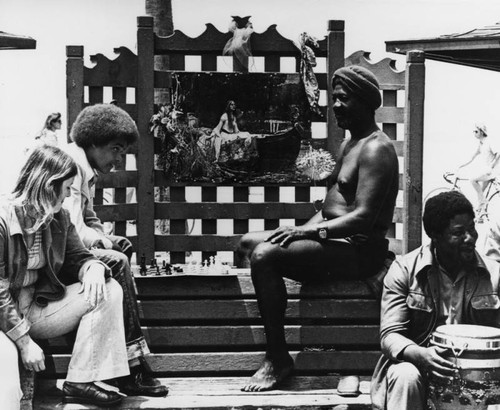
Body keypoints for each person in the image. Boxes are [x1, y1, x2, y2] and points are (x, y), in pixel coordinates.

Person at [236, 65, 399, 392]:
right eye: (334, 99)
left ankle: (278, 358)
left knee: (265, 256)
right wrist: (298, 230)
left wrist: (303, 235)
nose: (336, 106)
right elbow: (330, 207)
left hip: (358, 252)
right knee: (246, 243)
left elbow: (362, 218)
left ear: (366, 102)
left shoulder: (376, 148)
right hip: (334, 243)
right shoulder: (350, 144)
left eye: (344, 99)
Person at [0, 145, 130, 406]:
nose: (71, 193)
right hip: (4, 318)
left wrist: (92, 267)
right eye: (68, 186)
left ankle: (82, 379)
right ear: (49, 184)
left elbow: (78, 257)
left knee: (110, 289)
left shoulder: (59, 217)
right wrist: (24, 343)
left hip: (35, 309)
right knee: (9, 390)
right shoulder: (3, 220)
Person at [63, 103, 168, 397]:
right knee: (117, 260)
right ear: (94, 142)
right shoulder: (70, 167)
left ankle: (121, 361)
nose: (119, 159)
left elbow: (90, 218)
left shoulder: (86, 167)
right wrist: (104, 243)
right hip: (56, 257)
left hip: (70, 253)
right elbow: (71, 229)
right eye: (116, 149)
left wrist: (106, 237)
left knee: (118, 250)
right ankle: (132, 368)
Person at [370, 190, 500, 410]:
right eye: (459, 233)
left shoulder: (494, 274)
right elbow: (390, 335)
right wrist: (421, 355)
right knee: (405, 376)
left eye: (472, 229)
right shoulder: (405, 270)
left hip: (481, 373)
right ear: (435, 236)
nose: (470, 238)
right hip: (418, 368)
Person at [456, 123, 498, 215]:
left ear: (482, 132)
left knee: (472, 180)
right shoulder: (481, 144)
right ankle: (481, 214)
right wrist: (461, 165)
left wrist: (492, 165)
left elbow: (498, 154)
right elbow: (472, 157)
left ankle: (483, 202)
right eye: (474, 131)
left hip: (491, 171)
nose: (474, 133)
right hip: (487, 171)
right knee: (480, 193)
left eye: (476, 131)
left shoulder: (488, 142)